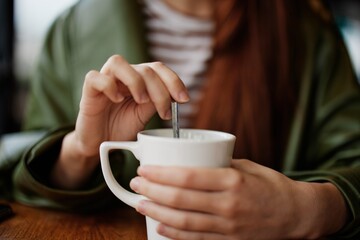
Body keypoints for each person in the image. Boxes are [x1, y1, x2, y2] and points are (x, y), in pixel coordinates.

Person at [1, 0, 359, 239]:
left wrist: (308, 210)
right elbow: (26, 164)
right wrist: (82, 150)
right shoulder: (73, 28)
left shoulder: (309, 34)